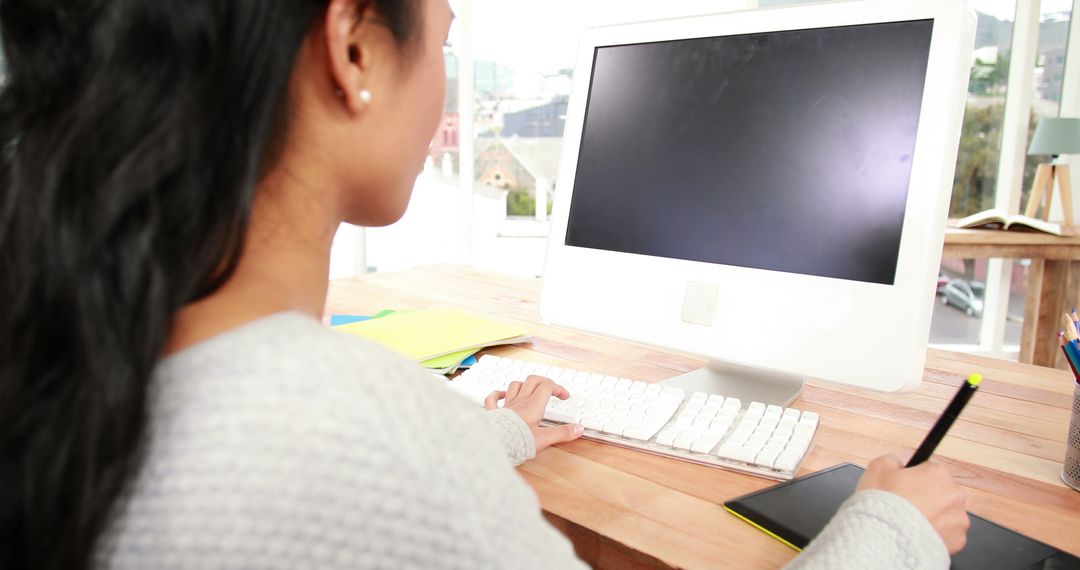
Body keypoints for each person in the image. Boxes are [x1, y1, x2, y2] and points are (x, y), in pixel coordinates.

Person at [0, 0, 969, 568]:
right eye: (446, 35)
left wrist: (485, 437)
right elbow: (345, 473)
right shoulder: (364, 434)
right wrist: (890, 531)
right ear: (352, 48)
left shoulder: (70, 355)